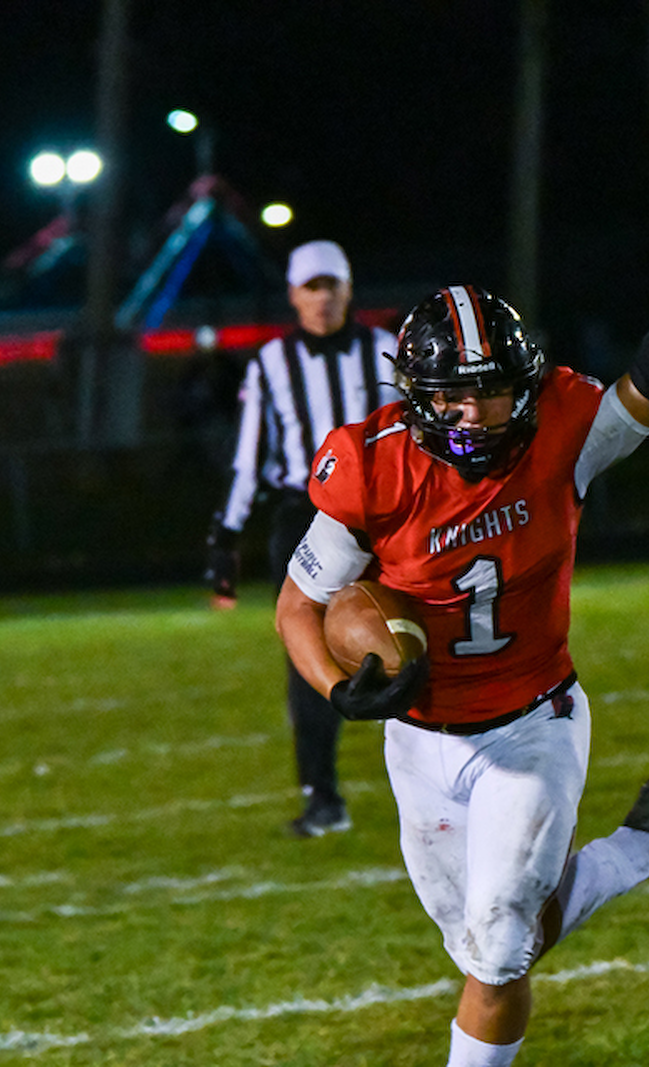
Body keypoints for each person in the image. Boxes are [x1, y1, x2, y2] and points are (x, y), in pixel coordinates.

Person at [274, 284, 649, 1067]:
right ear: (418, 395)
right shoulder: (373, 464)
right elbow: (300, 604)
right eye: (452, 395)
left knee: (498, 948)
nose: (473, 414)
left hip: (532, 723)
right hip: (420, 739)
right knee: (482, 946)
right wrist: (336, 687)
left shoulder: (561, 429)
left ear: (524, 387)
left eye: (492, 392)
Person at [206, 239, 400, 838]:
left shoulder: (386, 350)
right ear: (293, 294)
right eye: (311, 287)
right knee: (307, 655)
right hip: (305, 516)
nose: (322, 298)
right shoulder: (271, 363)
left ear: (348, 288)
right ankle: (323, 795)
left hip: (384, 516)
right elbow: (248, 458)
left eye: (331, 285)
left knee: (410, 637)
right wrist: (225, 536)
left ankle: (446, 779)